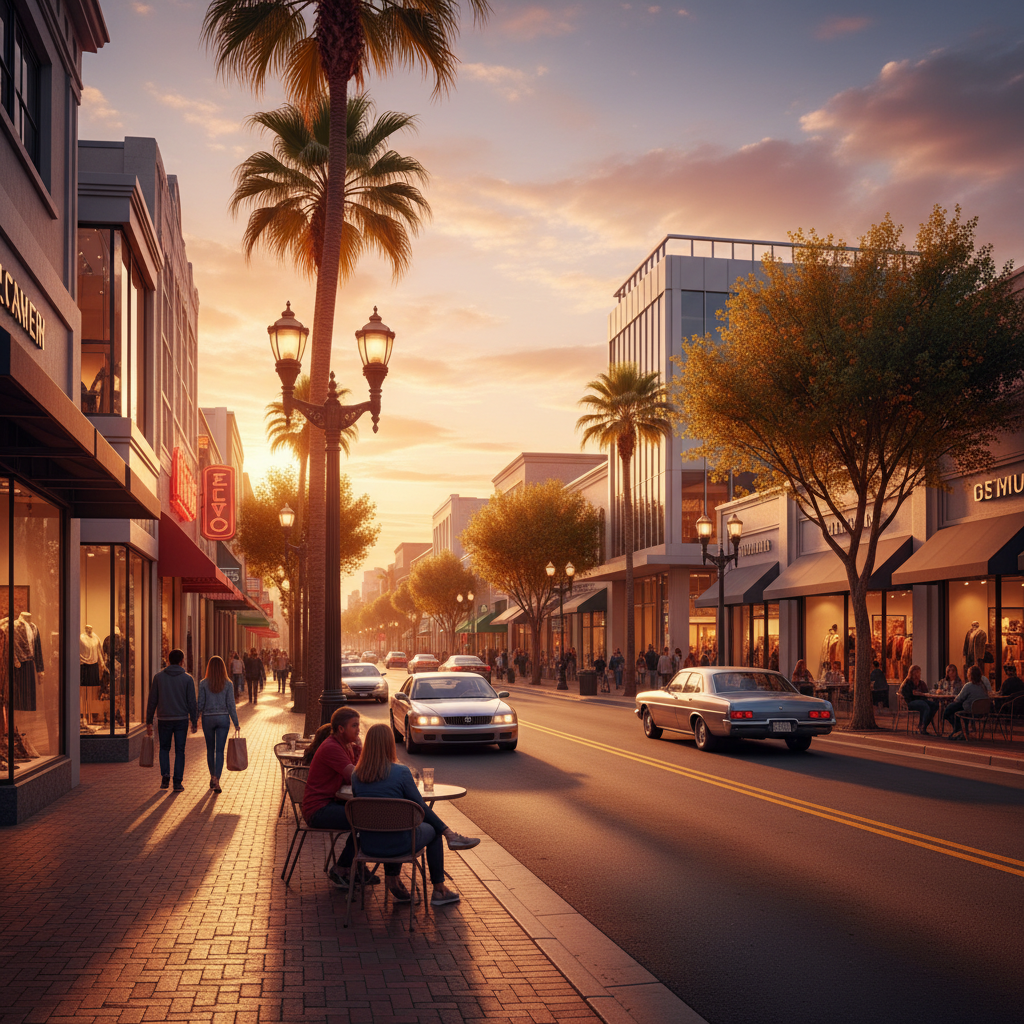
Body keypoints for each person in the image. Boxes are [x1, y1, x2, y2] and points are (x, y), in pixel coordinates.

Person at [351, 723, 480, 906]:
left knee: (387, 825)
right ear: (390, 744)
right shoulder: (401, 772)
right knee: (432, 832)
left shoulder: (356, 775)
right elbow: (420, 807)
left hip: (369, 845)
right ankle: (439, 889)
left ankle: (392, 878)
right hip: (401, 845)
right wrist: (443, 829)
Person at [302, 708, 370, 890]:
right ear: (341, 729)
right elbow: (355, 776)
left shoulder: (345, 745)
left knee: (366, 818)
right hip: (318, 810)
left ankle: (357, 868)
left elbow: (356, 768)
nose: (358, 730)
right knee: (366, 820)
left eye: (358, 725)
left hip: (331, 803)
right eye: (354, 726)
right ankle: (341, 869)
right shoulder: (332, 747)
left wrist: (358, 747)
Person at [145, 648, 198, 792]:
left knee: (164, 748)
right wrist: (194, 720)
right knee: (180, 750)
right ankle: (177, 782)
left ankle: (165, 776)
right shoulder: (188, 679)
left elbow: (152, 701)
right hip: (181, 719)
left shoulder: (158, 677)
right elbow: (192, 702)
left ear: (168, 661)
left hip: (164, 719)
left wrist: (148, 721)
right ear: (182, 661)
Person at [197, 655, 240, 793]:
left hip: (208, 719)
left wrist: (194, 720)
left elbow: (201, 704)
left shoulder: (203, 683)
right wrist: (236, 722)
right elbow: (231, 705)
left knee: (210, 749)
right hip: (223, 719)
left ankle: (212, 776)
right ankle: (217, 779)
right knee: (220, 751)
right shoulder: (228, 684)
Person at [945, 665, 990, 740]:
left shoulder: (968, 686)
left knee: (949, 710)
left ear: (970, 675)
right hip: (982, 712)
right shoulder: (983, 686)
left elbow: (959, 698)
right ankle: (961, 731)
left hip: (969, 710)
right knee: (955, 707)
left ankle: (959, 730)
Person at [900, 664, 938, 735]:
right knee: (925, 706)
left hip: (921, 699)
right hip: (910, 702)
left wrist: (922, 693)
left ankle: (924, 724)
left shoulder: (921, 683)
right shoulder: (908, 683)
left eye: (919, 673)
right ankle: (922, 726)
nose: (918, 674)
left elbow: (925, 693)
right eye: (916, 673)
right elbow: (907, 695)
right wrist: (916, 693)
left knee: (934, 705)